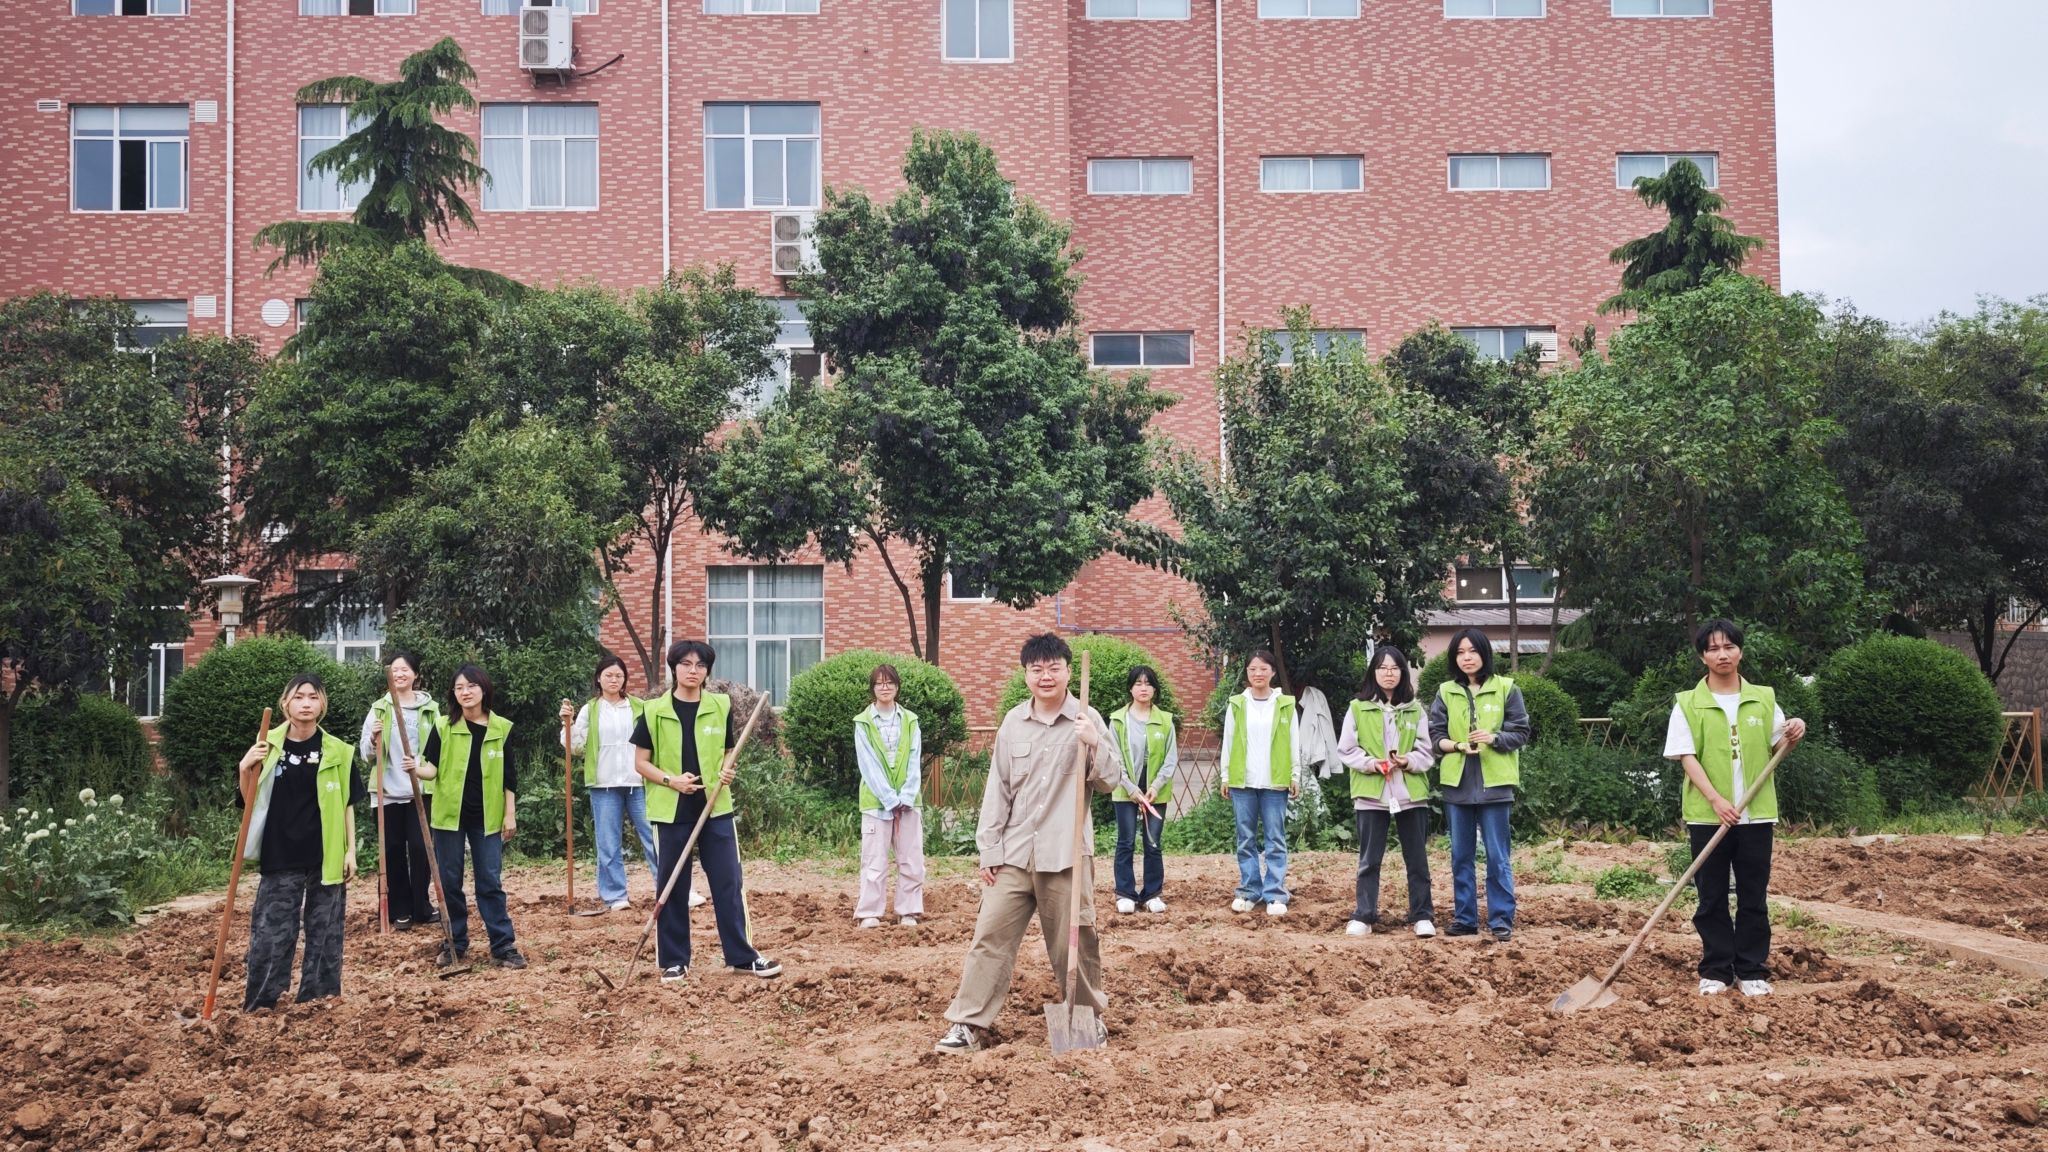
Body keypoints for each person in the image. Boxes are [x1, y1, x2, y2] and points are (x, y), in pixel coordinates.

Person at [935, 633, 1124, 1055]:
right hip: (1015, 854)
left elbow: (1111, 781)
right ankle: (968, 1024)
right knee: (989, 937)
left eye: (1054, 667)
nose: (1045, 676)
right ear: (1026, 675)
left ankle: (1085, 1020)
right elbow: (998, 789)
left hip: (1066, 854)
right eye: (1036, 669)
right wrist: (989, 848)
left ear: (1068, 672)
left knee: (1077, 941)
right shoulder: (1013, 723)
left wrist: (1095, 742)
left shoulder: (1087, 718)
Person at [1664, 619, 1806, 997]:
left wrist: (1794, 730)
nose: (1722, 654)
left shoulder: (1763, 698)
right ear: (1703, 657)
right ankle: (1716, 970)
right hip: (1708, 816)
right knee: (1711, 896)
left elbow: (1780, 744)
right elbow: (1686, 756)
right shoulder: (1688, 703)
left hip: (1756, 815)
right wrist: (1716, 799)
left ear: (1740, 651)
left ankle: (1751, 970)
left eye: (1729, 646)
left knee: (1752, 896)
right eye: (1713, 649)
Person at [632, 639, 782, 982]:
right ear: (674, 668)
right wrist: (672, 781)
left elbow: (728, 750)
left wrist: (728, 768)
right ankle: (674, 960)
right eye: (686, 664)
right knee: (672, 886)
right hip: (671, 811)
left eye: (700, 665)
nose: (693, 670)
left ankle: (742, 956)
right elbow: (641, 763)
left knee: (729, 882)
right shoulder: (653, 711)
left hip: (716, 808)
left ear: (707, 671)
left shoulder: (720, 705)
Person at [237, 673, 364, 1010]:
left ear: (322, 704)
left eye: (313, 697)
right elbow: (250, 803)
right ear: (285, 703)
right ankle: (262, 1002)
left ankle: (319, 1001)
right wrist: (244, 769)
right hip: (280, 851)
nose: (306, 704)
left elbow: (348, 804)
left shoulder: (339, 751)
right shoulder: (267, 745)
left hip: (326, 853)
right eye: (298, 697)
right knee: (271, 933)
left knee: (326, 932)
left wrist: (350, 850)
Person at [421, 664, 526, 970]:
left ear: (483, 689)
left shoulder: (501, 728)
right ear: (453, 694)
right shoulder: (443, 727)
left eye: (471, 686)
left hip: (487, 818)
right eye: (459, 688)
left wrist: (510, 814)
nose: (465, 692)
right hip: (449, 817)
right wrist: (414, 768)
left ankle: (503, 945)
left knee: (490, 881)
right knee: (449, 881)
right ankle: (454, 942)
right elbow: (431, 770)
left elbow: (509, 778)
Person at [1429, 629, 1530, 942]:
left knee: (1498, 856)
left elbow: (1521, 732)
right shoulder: (1445, 692)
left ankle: (1501, 919)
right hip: (1457, 785)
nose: (1467, 658)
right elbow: (1435, 737)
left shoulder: (1506, 688)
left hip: (1495, 785)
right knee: (1461, 856)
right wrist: (1458, 746)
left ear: (1485, 654)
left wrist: (1494, 738)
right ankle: (1465, 918)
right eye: (1460, 653)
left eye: (1472, 651)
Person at [1334, 646, 1436, 938]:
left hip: (1410, 794)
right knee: (1369, 860)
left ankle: (1422, 915)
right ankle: (1364, 915)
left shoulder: (1415, 709)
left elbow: (1426, 751)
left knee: (1417, 859)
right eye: (1382, 668)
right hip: (1372, 794)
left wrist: (1407, 761)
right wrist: (1371, 764)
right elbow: (1346, 749)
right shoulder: (1358, 708)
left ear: (1403, 673)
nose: (1388, 674)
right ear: (1373, 672)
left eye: (1394, 668)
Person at [560, 653, 658, 913]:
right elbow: (575, 747)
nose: (614, 680)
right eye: (608, 675)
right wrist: (568, 724)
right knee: (608, 843)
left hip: (639, 781)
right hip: (603, 784)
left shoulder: (640, 707)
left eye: (619, 675)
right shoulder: (590, 709)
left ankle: (671, 889)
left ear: (625, 679)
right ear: (598, 679)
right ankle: (615, 896)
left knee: (654, 837)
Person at [362, 651, 441, 931]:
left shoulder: (430, 709)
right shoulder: (379, 708)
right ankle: (400, 909)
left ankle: (421, 906)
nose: (399, 674)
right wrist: (373, 740)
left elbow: (439, 748)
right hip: (386, 791)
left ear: (415, 674)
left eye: (405, 669)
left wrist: (420, 766)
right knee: (392, 850)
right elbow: (366, 754)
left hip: (420, 789)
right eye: (395, 670)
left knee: (421, 849)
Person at [1220, 650, 1302, 917]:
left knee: (1275, 838)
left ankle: (1275, 893)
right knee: (1245, 838)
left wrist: (1295, 774)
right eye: (1253, 669)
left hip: (1275, 781)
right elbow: (1228, 741)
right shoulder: (1237, 704)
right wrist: (1225, 776)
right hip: (1242, 781)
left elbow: (1294, 740)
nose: (1258, 673)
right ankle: (1249, 890)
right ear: (1247, 672)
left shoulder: (1285, 704)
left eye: (1264, 668)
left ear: (1273, 672)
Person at [853, 663, 926, 928]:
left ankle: (909, 910)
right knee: (874, 860)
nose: (885, 688)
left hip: (909, 801)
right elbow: (868, 764)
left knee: (911, 859)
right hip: (876, 802)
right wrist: (889, 798)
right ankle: (870, 912)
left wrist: (906, 795)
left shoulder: (910, 720)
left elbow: (914, 759)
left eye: (890, 682)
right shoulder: (863, 722)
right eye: (879, 683)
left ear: (897, 686)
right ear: (872, 688)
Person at [1108, 665, 1178, 915]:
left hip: (1155, 790)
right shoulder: (1118, 720)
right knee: (1126, 841)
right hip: (1125, 788)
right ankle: (1125, 893)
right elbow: (1114, 758)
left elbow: (1170, 759)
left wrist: (1156, 786)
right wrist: (1130, 788)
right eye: (1138, 683)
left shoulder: (1165, 720)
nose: (1143, 688)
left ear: (1155, 689)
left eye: (1148, 683)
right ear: (1130, 688)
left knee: (1153, 842)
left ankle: (1152, 894)